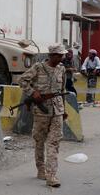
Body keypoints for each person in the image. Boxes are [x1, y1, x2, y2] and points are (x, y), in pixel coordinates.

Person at [18, 43, 67, 187]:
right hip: (41, 111)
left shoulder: (61, 69)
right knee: (39, 141)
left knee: (54, 142)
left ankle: (51, 175)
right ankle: (41, 169)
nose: (61, 57)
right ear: (51, 55)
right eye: (59, 55)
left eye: (62, 54)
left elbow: (62, 89)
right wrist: (33, 93)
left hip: (57, 109)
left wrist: (64, 110)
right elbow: (22, 80)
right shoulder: (38, 68)